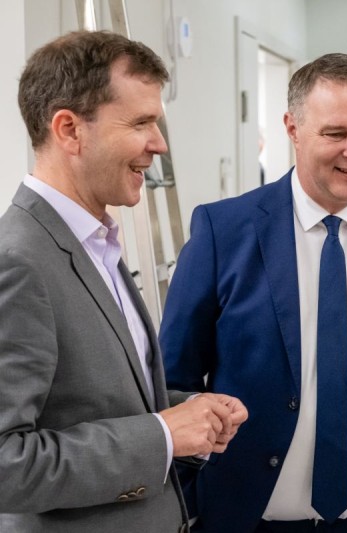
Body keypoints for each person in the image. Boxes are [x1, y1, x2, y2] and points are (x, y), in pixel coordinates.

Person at [159, 52, 347, 532]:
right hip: (249, 519)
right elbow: (174, 381)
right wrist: (191, 505)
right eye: (336, 134)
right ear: (292, 129)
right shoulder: (223, 232)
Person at [0, 31, 248, 532]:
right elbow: (6, 463)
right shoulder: (18, 261)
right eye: (141, 122)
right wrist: (161, 435)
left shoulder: (97, 244)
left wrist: (188, 414)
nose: (159, 143)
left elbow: (94, 404)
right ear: (69, 129)